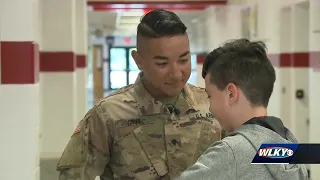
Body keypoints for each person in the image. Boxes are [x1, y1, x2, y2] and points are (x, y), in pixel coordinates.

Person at [56, 9, 222, 180]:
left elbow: (250, 156)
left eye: (183, 60)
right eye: (162, 63)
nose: (176, 73)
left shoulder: (213, 104)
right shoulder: (108, 115)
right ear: (138, 60)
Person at [177, 39, 308, 180]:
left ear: (231, 93)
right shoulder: (288, 143)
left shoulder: (230, 152)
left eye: (210, 96)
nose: (211, 108)